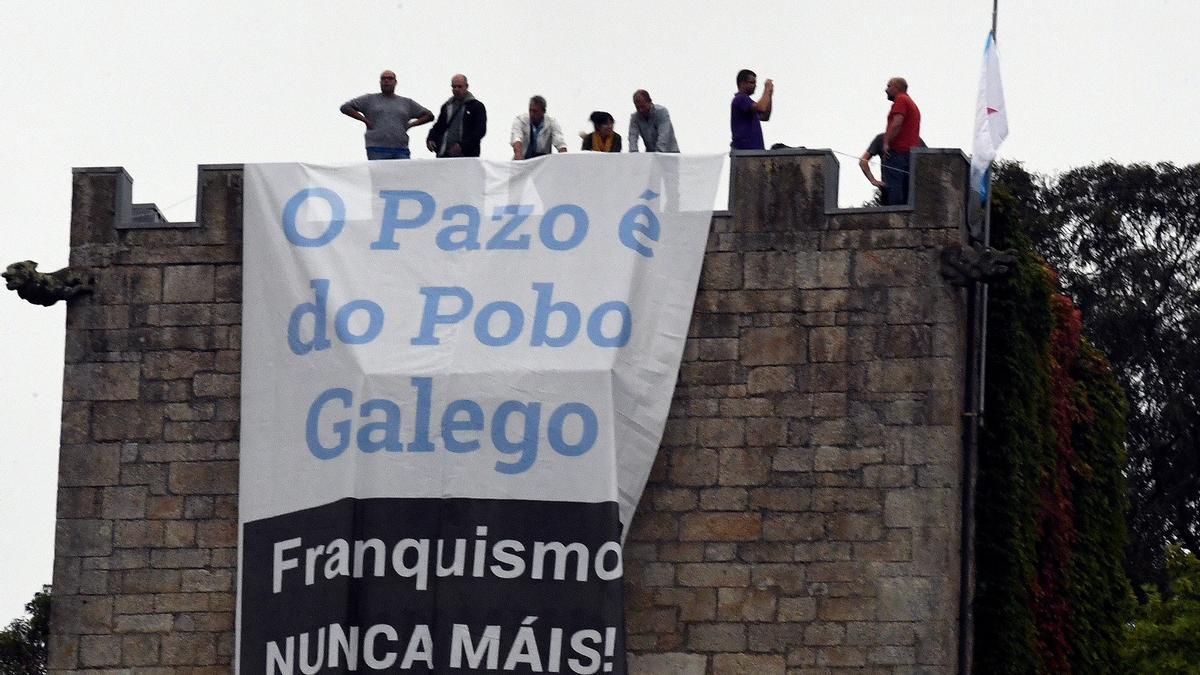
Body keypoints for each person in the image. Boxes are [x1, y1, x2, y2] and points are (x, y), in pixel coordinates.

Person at [340, 70, 433, 160]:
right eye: (383, 78)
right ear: (380, 82)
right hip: (376, 148)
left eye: (390, 78)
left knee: (402, 176)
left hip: (401, 149)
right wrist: (365, 120)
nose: (386, 81)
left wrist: (411, 124)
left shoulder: (406, 103)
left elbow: (429, 115)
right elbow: (346, 107)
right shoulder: (369, 99)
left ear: (395, 82)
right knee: (379, 176)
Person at [880, 77, 922, 205]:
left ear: (896, 87)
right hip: (909, 154)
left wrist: (886, 143)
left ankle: (895, 219)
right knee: (906, 191)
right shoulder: (911, 103)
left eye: (888, 86)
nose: (886, 90)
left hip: (898, 152)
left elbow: (897, 122)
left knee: (895, 189)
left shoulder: (901, 99)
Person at [426, 74, 488, 158]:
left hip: (467, 156)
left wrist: (462, 146)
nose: (456, 89)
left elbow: (480, 130)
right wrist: (431, 138)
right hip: (444, 154)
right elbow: (439, 126)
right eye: (454, 87)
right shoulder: (447, 106)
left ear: (466, 86)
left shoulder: (476, 106)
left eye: (459, 86)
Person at [859, 132, 926, 190]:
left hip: (913, 191)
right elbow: (863, 161)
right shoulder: (882, 139)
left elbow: (930, 162)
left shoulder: (917, 140)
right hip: (891, 191)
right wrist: (873, 180)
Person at [510, 96, 568, 160]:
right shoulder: (520, 120)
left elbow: (560, 143)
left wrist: (564, 161)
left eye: (535, 111)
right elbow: (516, 139)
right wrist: (520, 161)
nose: (531, 114)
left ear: (543, 111)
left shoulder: (552, 123)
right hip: (523, 161)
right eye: (530, 110)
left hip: (542, 164)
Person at [730, 69, 773, 150]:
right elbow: (762, 107)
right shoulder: (740, 98)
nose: (755, 86)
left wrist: (769, 94)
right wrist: (767, 89)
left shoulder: (748, 102)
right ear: (742, 83)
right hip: (745, 153)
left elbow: (765, 116)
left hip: (754, 152)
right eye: (751, 82)